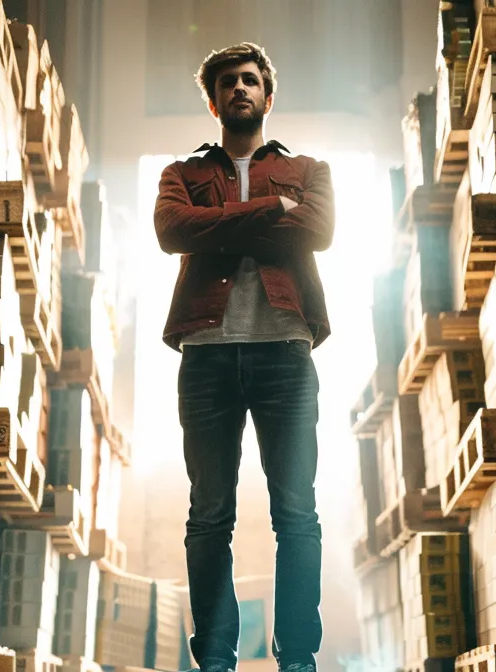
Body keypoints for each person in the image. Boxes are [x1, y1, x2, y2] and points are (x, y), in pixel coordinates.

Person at [154, 42, 334, 672]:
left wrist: (222, 219)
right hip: (206, 353)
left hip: (285, 348)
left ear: (267, 95)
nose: (239, 88)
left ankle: (298, 661)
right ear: (213, 99)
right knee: (209, 516)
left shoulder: (309, 169)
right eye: (228, 81)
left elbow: (321, 230)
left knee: (297, 513)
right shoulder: (181, 173)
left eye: (250, 80)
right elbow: (171, 231)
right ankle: (216, 663)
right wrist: (268, 210)